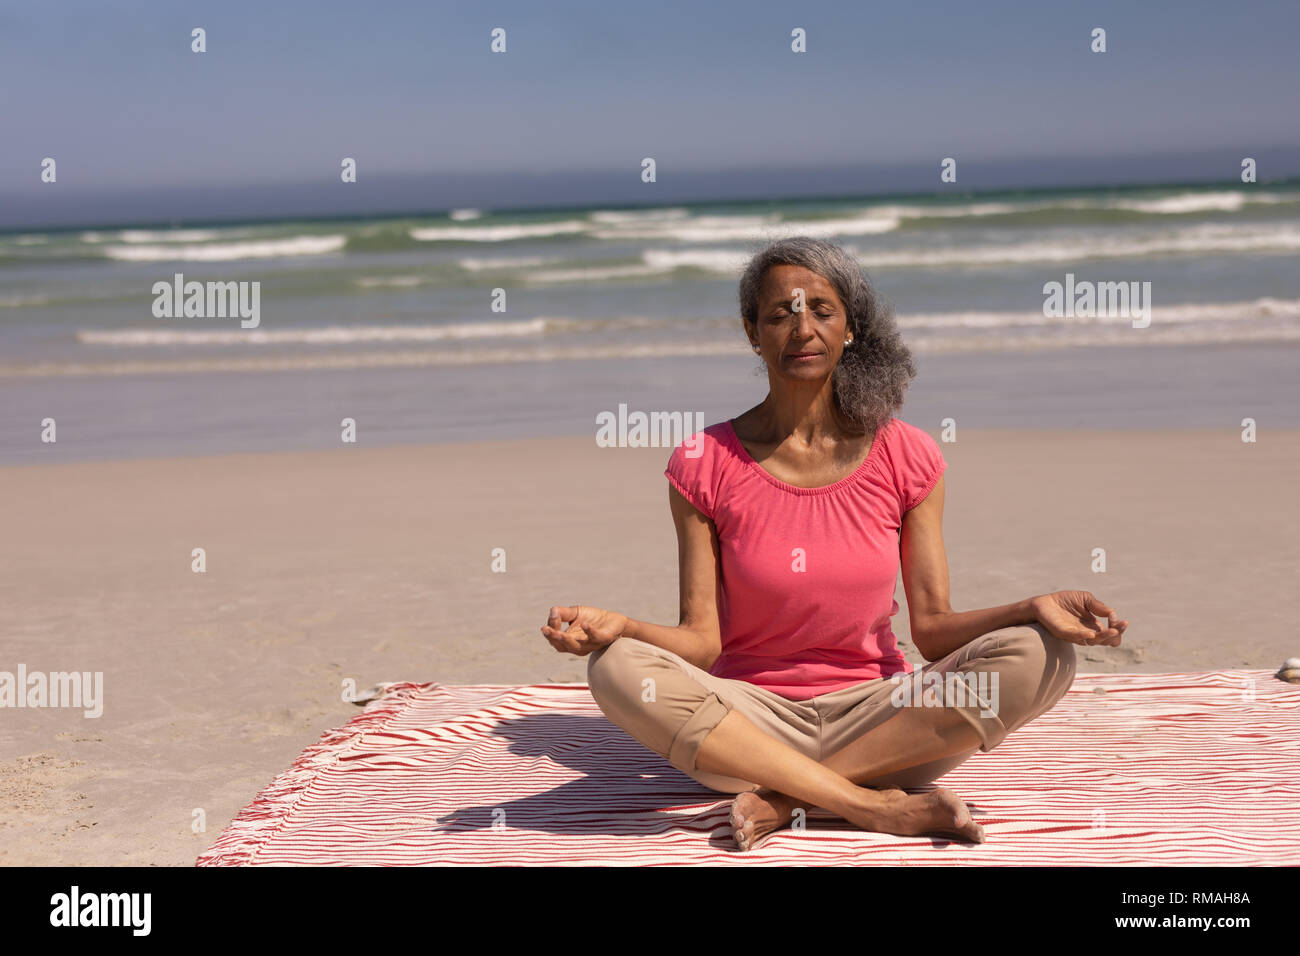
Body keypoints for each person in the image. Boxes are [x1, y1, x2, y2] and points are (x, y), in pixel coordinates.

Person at [541, 235, 1128, 851]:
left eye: (821, 310)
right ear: (752, 332)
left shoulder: (907, 454)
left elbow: (931, 628)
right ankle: (866, 805)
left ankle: (790, 798)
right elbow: (700, 641)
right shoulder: (702, 462)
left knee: (1044, 653)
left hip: (883, 717)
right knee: (616, 668)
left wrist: (1029, 607)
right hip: (746, 724)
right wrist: (620, 626)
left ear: (850, 327)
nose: (802, 329)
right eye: (779, 314)